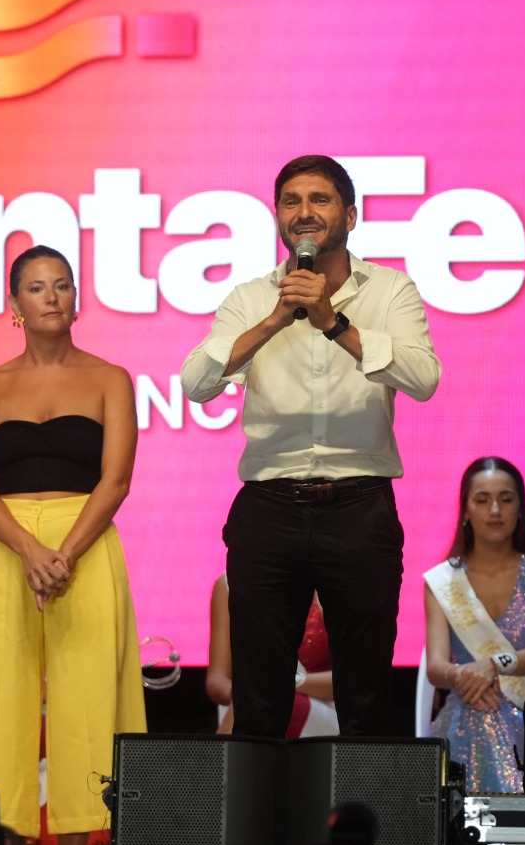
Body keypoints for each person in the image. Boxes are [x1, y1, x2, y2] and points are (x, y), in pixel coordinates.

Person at [181, 155, 441, 738]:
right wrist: (276, 319)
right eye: (291, 201)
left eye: (319, 200)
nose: (304, 212)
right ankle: (262, 803)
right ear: (278, 216)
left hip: (359, 507)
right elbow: (197, 384)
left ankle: (359, 805)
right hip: (268, 508)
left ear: (350, 215)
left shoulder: (391, 290)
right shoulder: (251, 298)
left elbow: (423, 379)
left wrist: (333, 323)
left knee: (365, 693)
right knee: (259, 696)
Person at [0, 244, 145, 845]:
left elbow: (116, 481)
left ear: (76, 298)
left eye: (63, 285)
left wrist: (64, 555)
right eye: (36, 287)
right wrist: (29, 551)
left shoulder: (110, 378)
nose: (52, 296)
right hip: (5, 548)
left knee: (89, 707)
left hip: (86, 546)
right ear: (15, 305)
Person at [422, 456, 525, 792]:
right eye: (482, 500)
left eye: (506, 499)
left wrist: (492, 665)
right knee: (475, 716)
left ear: (520, 508)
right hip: (466, 705)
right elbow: (436, 667)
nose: (495, 510)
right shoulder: (442, 580)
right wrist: (465, 676)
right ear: (466, 511)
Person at [207, 575, 336, 737]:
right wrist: (245, 693)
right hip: (250, 702)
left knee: (264, 704)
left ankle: (226, 753)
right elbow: (216, 680)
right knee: (254, 704)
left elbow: (354, 679)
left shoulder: (330, 581)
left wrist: (282, 683)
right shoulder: (229, 585)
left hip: (322, 706)